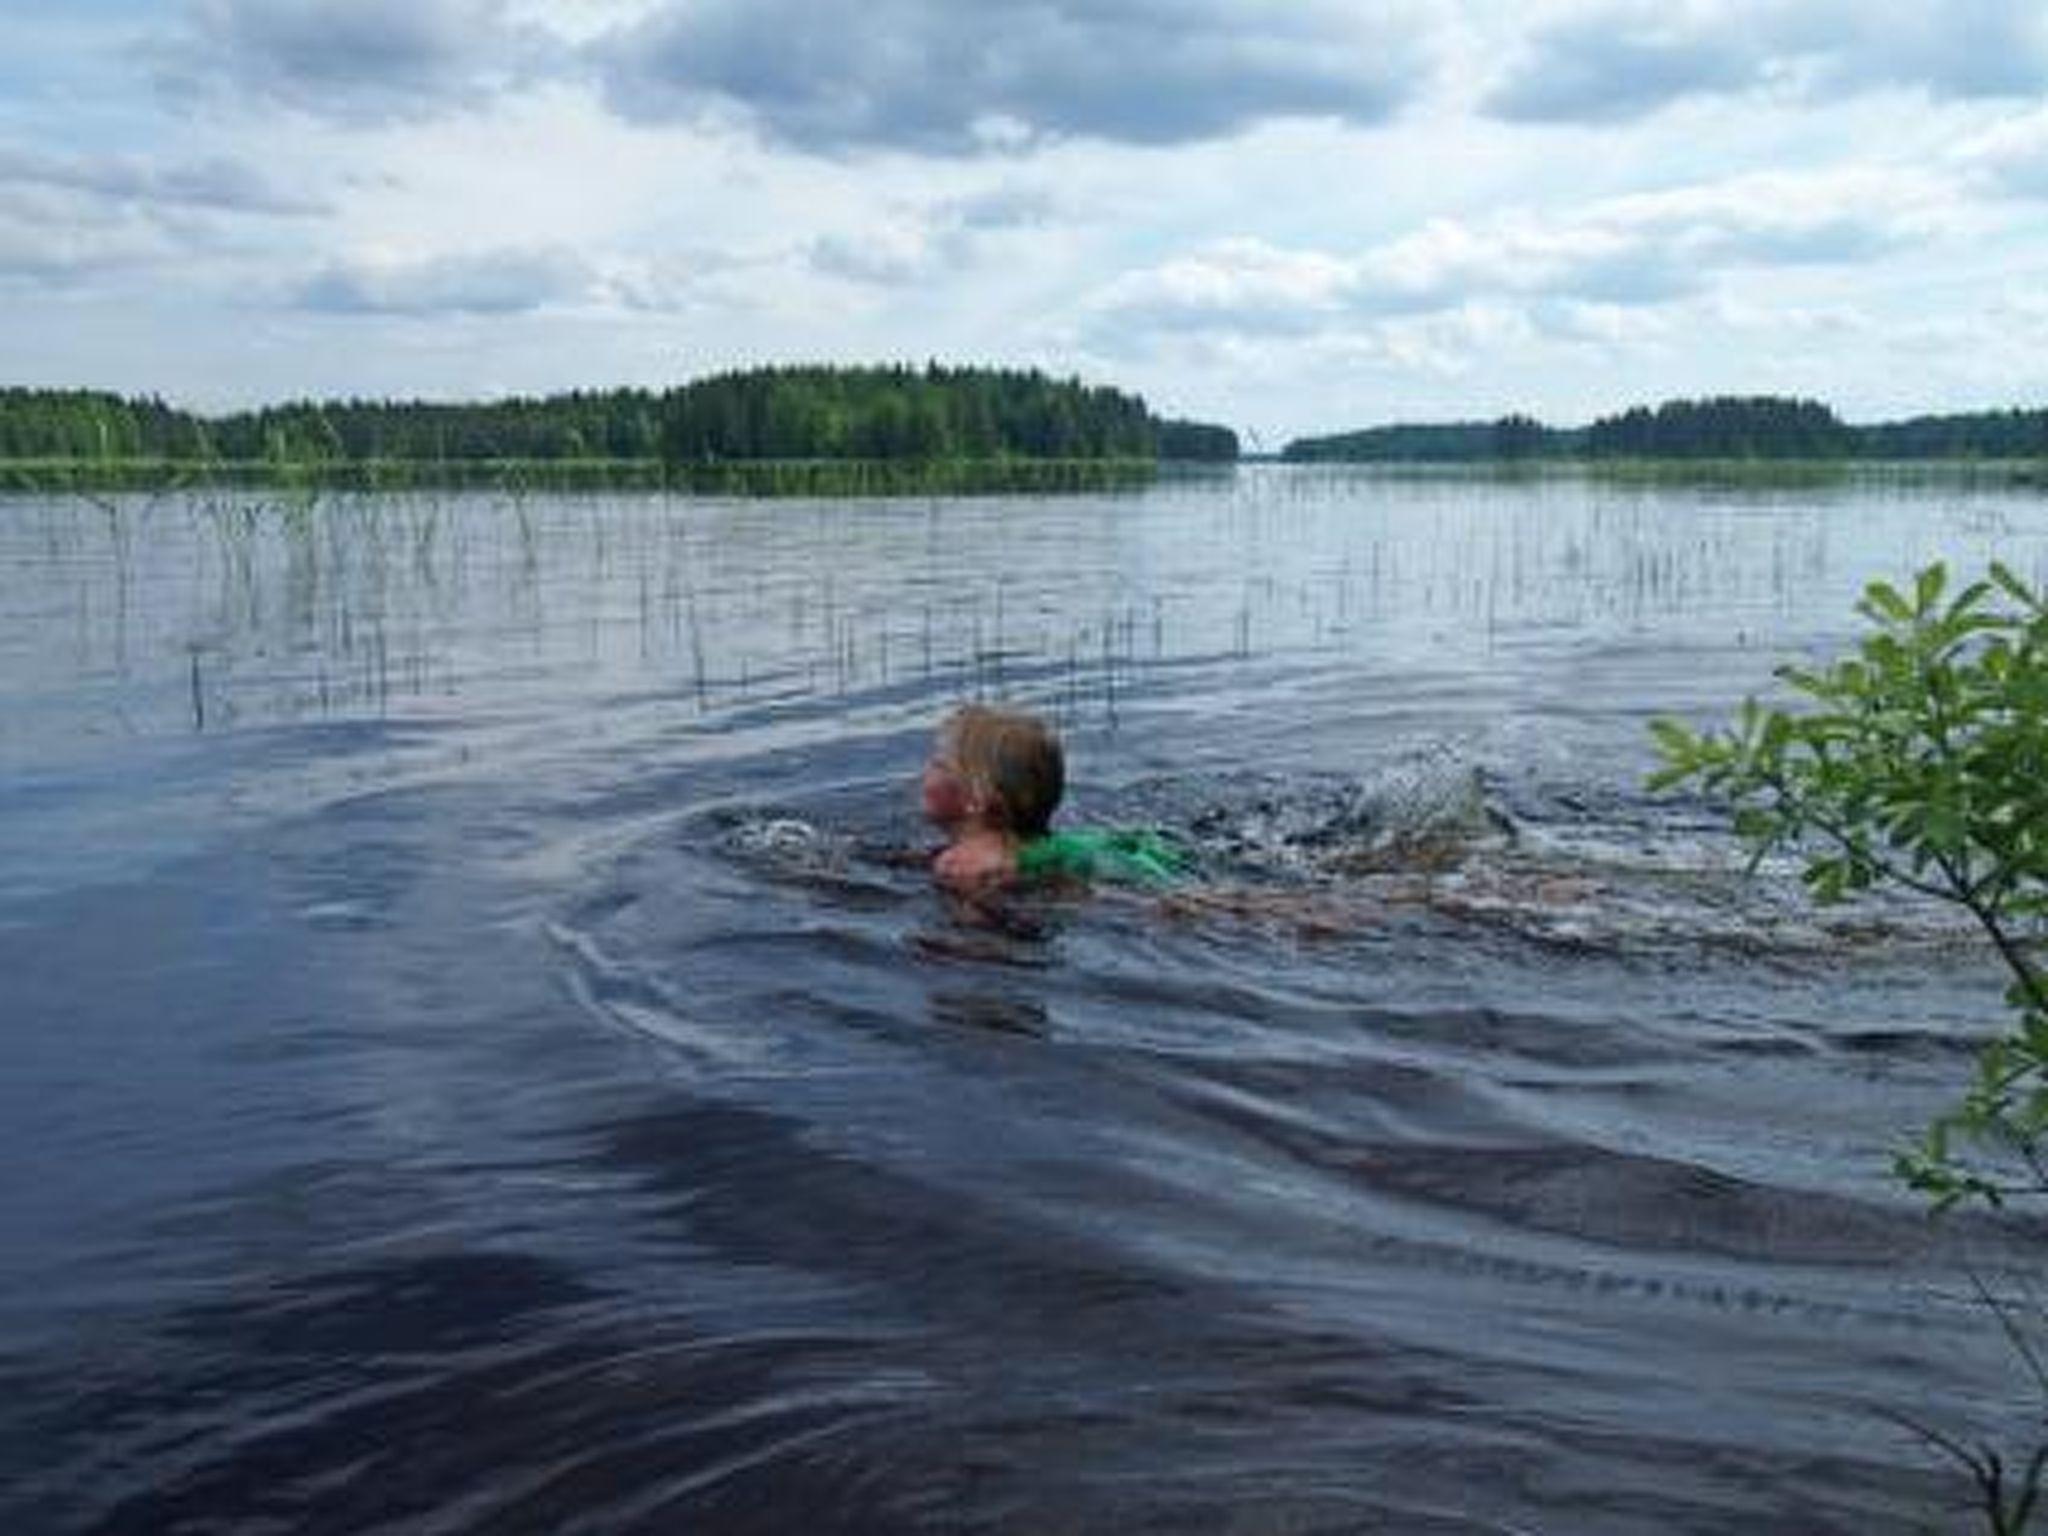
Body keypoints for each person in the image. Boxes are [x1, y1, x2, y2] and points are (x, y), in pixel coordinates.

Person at [922, 703, 1188, 891]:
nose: (925, 771)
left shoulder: (966, 866)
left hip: (1112, 871)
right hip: (1115, 849)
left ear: (978, 799)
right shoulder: (1015, 849)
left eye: (939, 765)